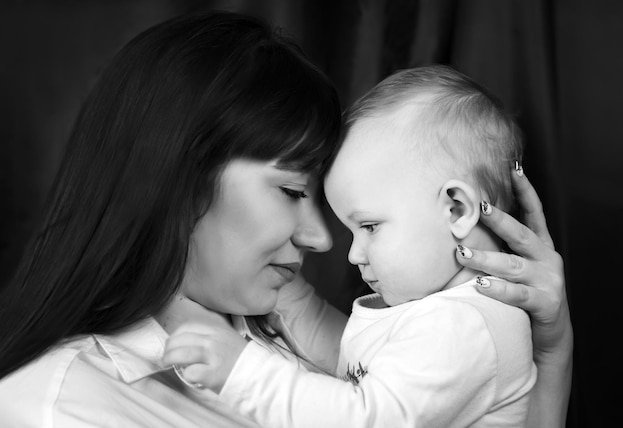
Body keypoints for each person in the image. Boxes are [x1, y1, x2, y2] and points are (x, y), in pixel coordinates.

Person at [0, 10, 572, 428]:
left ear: (455, 208)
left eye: (367, 225)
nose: (325, 241)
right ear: (177, 179)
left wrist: (553, 346)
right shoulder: (59, 406)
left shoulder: (264, 337)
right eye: (293, 189)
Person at [162, 65, 543, 427]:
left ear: (456, 210)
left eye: (370, 227)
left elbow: (363, 417)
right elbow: (341, 357)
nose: (353, 254)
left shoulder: (465, 326)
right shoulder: (436, 312)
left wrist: (242, 372)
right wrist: (285, 292)